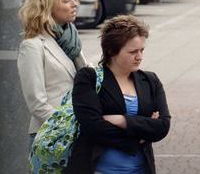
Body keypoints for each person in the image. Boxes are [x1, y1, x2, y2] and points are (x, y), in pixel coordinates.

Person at [67, 15, 171, 174]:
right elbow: (93, 127)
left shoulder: (150, 80)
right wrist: (140, 134)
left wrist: (121, 120)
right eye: (132, 51)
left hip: (141, 169)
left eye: (142, 50)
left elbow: (162, 126)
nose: (139, 57)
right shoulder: (89, 78)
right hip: (98, 169)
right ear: (111, 51)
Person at [17, 0, 89, 147]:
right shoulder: (32, 46)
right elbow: (37, 103)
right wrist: (68, 127)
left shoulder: (71, 40)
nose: (75, 4)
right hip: (52, 136)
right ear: (46, 6)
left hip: (80, 132)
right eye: (66, 0)